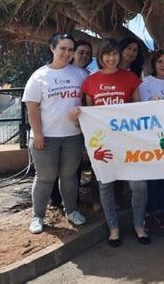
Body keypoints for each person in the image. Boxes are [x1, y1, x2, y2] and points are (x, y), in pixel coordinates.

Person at [80, 38, 149, 247]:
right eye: (107, 54)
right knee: (106, 185)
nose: (111, 58)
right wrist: (78, 113)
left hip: (128, 142)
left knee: (139, 186)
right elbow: (89, 113)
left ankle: (139, 225)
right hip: (103, 144)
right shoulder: (90, 81)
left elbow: (138, 110)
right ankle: (114, 229)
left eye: (115, 54)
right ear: (100, 57)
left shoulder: (130, 78)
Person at [22, 33, 87, 234]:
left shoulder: (80, 74)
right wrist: (38, 133)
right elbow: (32, 108)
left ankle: (71, 211)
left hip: (72, 136)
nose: (66, 53)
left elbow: (88, 101)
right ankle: (38, 216)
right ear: (52, 48)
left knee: (69, 176)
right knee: (45, 177)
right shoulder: (39, 76)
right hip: (46, 137)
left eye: (70, 49)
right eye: (62, 49)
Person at [50, 39, 93, 209]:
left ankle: (73, 200)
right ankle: (54, 199)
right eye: (81, 51)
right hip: (56, 127)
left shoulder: (88, 74)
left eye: (88, 54)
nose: (84, 55)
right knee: (54, 166)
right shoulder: (57, 72)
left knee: (74, 166)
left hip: (81, 127)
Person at [139, 49, 164, 230]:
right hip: (151, 138)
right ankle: (148, 214)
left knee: (163, 178)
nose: (163, 65)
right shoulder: (146, 83)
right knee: (151, 178)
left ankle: (159, 212)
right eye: (160, 61)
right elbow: (140, 108)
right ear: (154, 64)